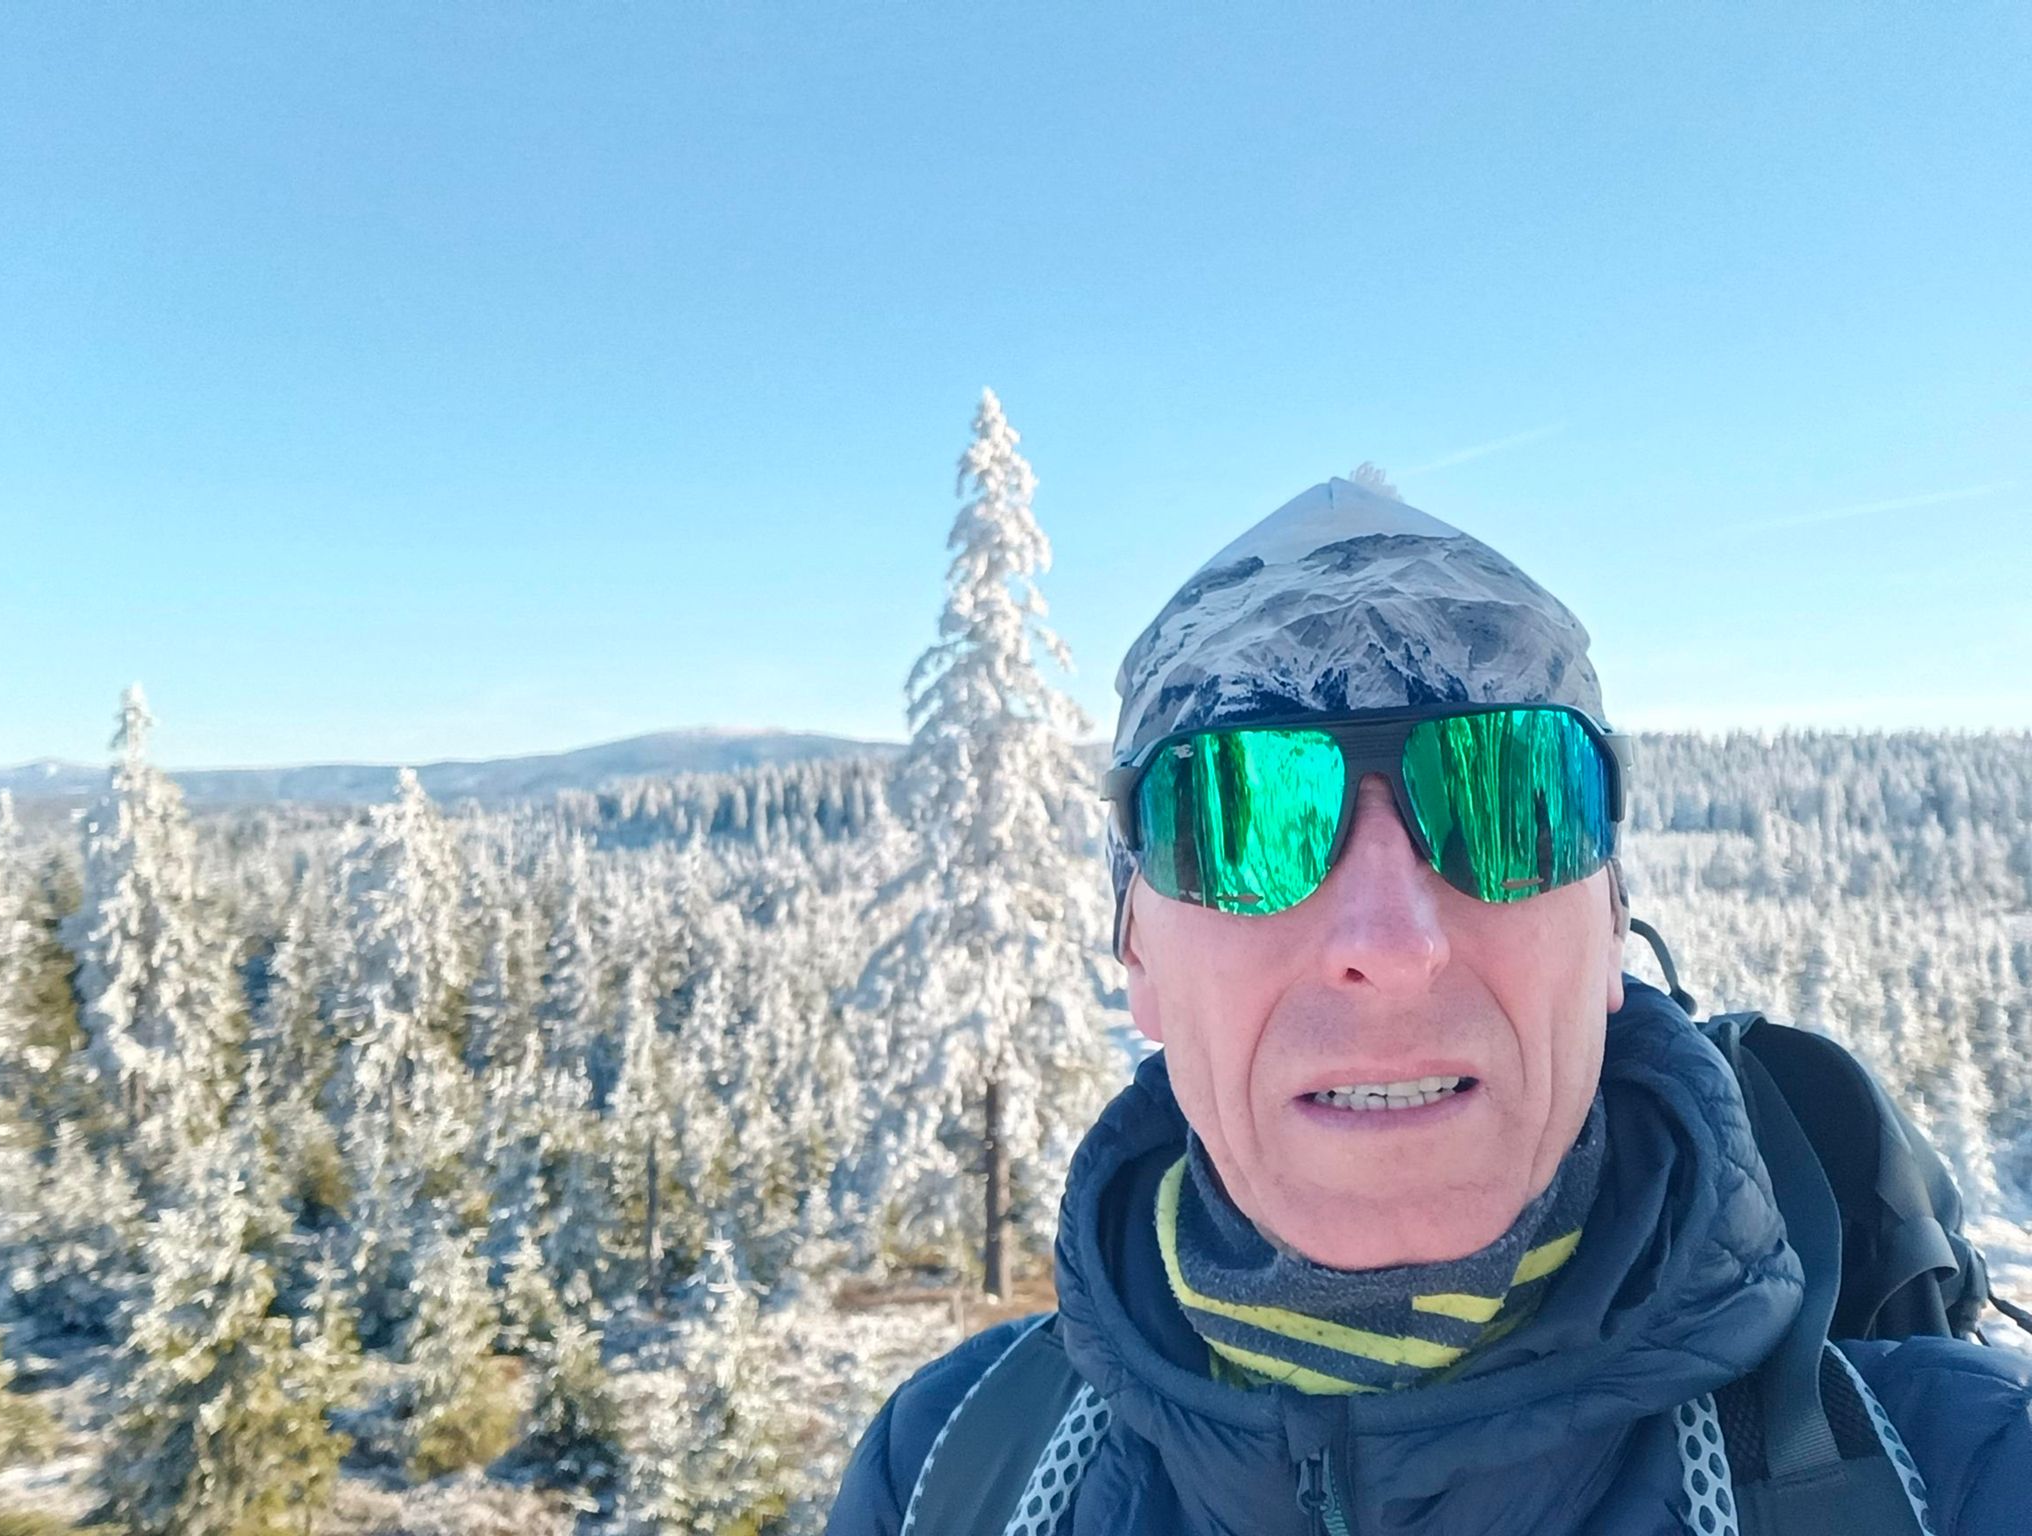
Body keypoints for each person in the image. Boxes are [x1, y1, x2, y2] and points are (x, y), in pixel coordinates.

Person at [828, 476, 2030, 1535]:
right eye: (1241, 818)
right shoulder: (945, 1471)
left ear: (1609, 925)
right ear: (1137, 954)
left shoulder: (1965, 1476)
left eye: (1506, 799)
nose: (1390, 944)